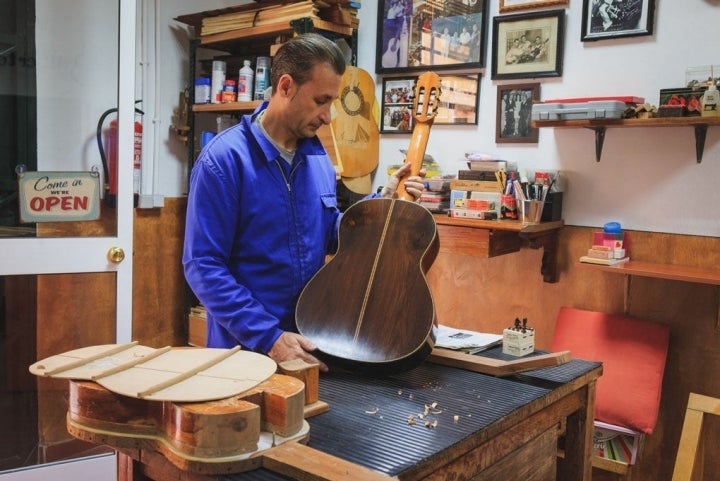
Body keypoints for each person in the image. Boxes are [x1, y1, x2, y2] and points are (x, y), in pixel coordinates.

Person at [183, 33, 426, 372]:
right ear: (285, 87)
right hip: (246, 352)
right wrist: (269, 337)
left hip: (313, 342)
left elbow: (328, 233)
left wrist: (381, 205)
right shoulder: (224, 162)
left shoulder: (316, 158)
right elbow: (203, 266)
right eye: (320, 101)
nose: (328, 117)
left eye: (333, 103)